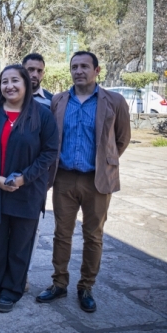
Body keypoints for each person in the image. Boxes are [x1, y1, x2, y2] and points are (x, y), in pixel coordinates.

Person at [36, 51, 131, 313]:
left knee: (93, 236)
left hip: (97, 181)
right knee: (61, 235)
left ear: (97, 70)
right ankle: (59, 283)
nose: (79, 71)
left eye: (84, 66)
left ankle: (86, 286)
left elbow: (121, 139)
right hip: (64, 178)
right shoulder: (59, 100)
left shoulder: (114, 101)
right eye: (74, 66)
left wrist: (104, 163)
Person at [0, 65, 59, 313]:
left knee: (20, 245)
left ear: (26, 84)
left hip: (28, 192)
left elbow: (50, 152)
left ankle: (12, 289)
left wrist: (24, 178)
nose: (9, 86)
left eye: (15, 80)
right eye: (4, 81)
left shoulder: (41, 115)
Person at [21, 52, 53, 292]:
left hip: (38, 179)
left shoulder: (51, 102)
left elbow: (52, 145)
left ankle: (23, 276)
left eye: (39, 70)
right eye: (30, 69)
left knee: (31, 230)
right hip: (5, 177)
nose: (34, 74)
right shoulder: (4, 97)